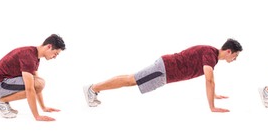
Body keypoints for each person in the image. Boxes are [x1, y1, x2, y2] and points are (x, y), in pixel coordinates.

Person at [83, 39, 242, 113]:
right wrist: (212, 106)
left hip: (165, 71)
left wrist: (213, 94)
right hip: (165, 69)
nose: (235, 59)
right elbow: (209, 79)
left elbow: (208, 79)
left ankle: (94, 89)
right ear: (229, 51)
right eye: (235, 56)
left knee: (131, 80)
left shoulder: (211, 56)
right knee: (131, 80)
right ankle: (93, 88)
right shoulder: (210, 54)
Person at [0, 34, 66, 121]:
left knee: (39, 83)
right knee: (36, 84)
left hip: (4, 82)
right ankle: (0, 102)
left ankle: (2, 102)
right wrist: (37, 116)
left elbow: (38, 85)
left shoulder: (34, 55)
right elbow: (30, 89)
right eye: (55, 53)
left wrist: (43, 107)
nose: (55, 57)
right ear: (49, 46)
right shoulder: (28, 56)